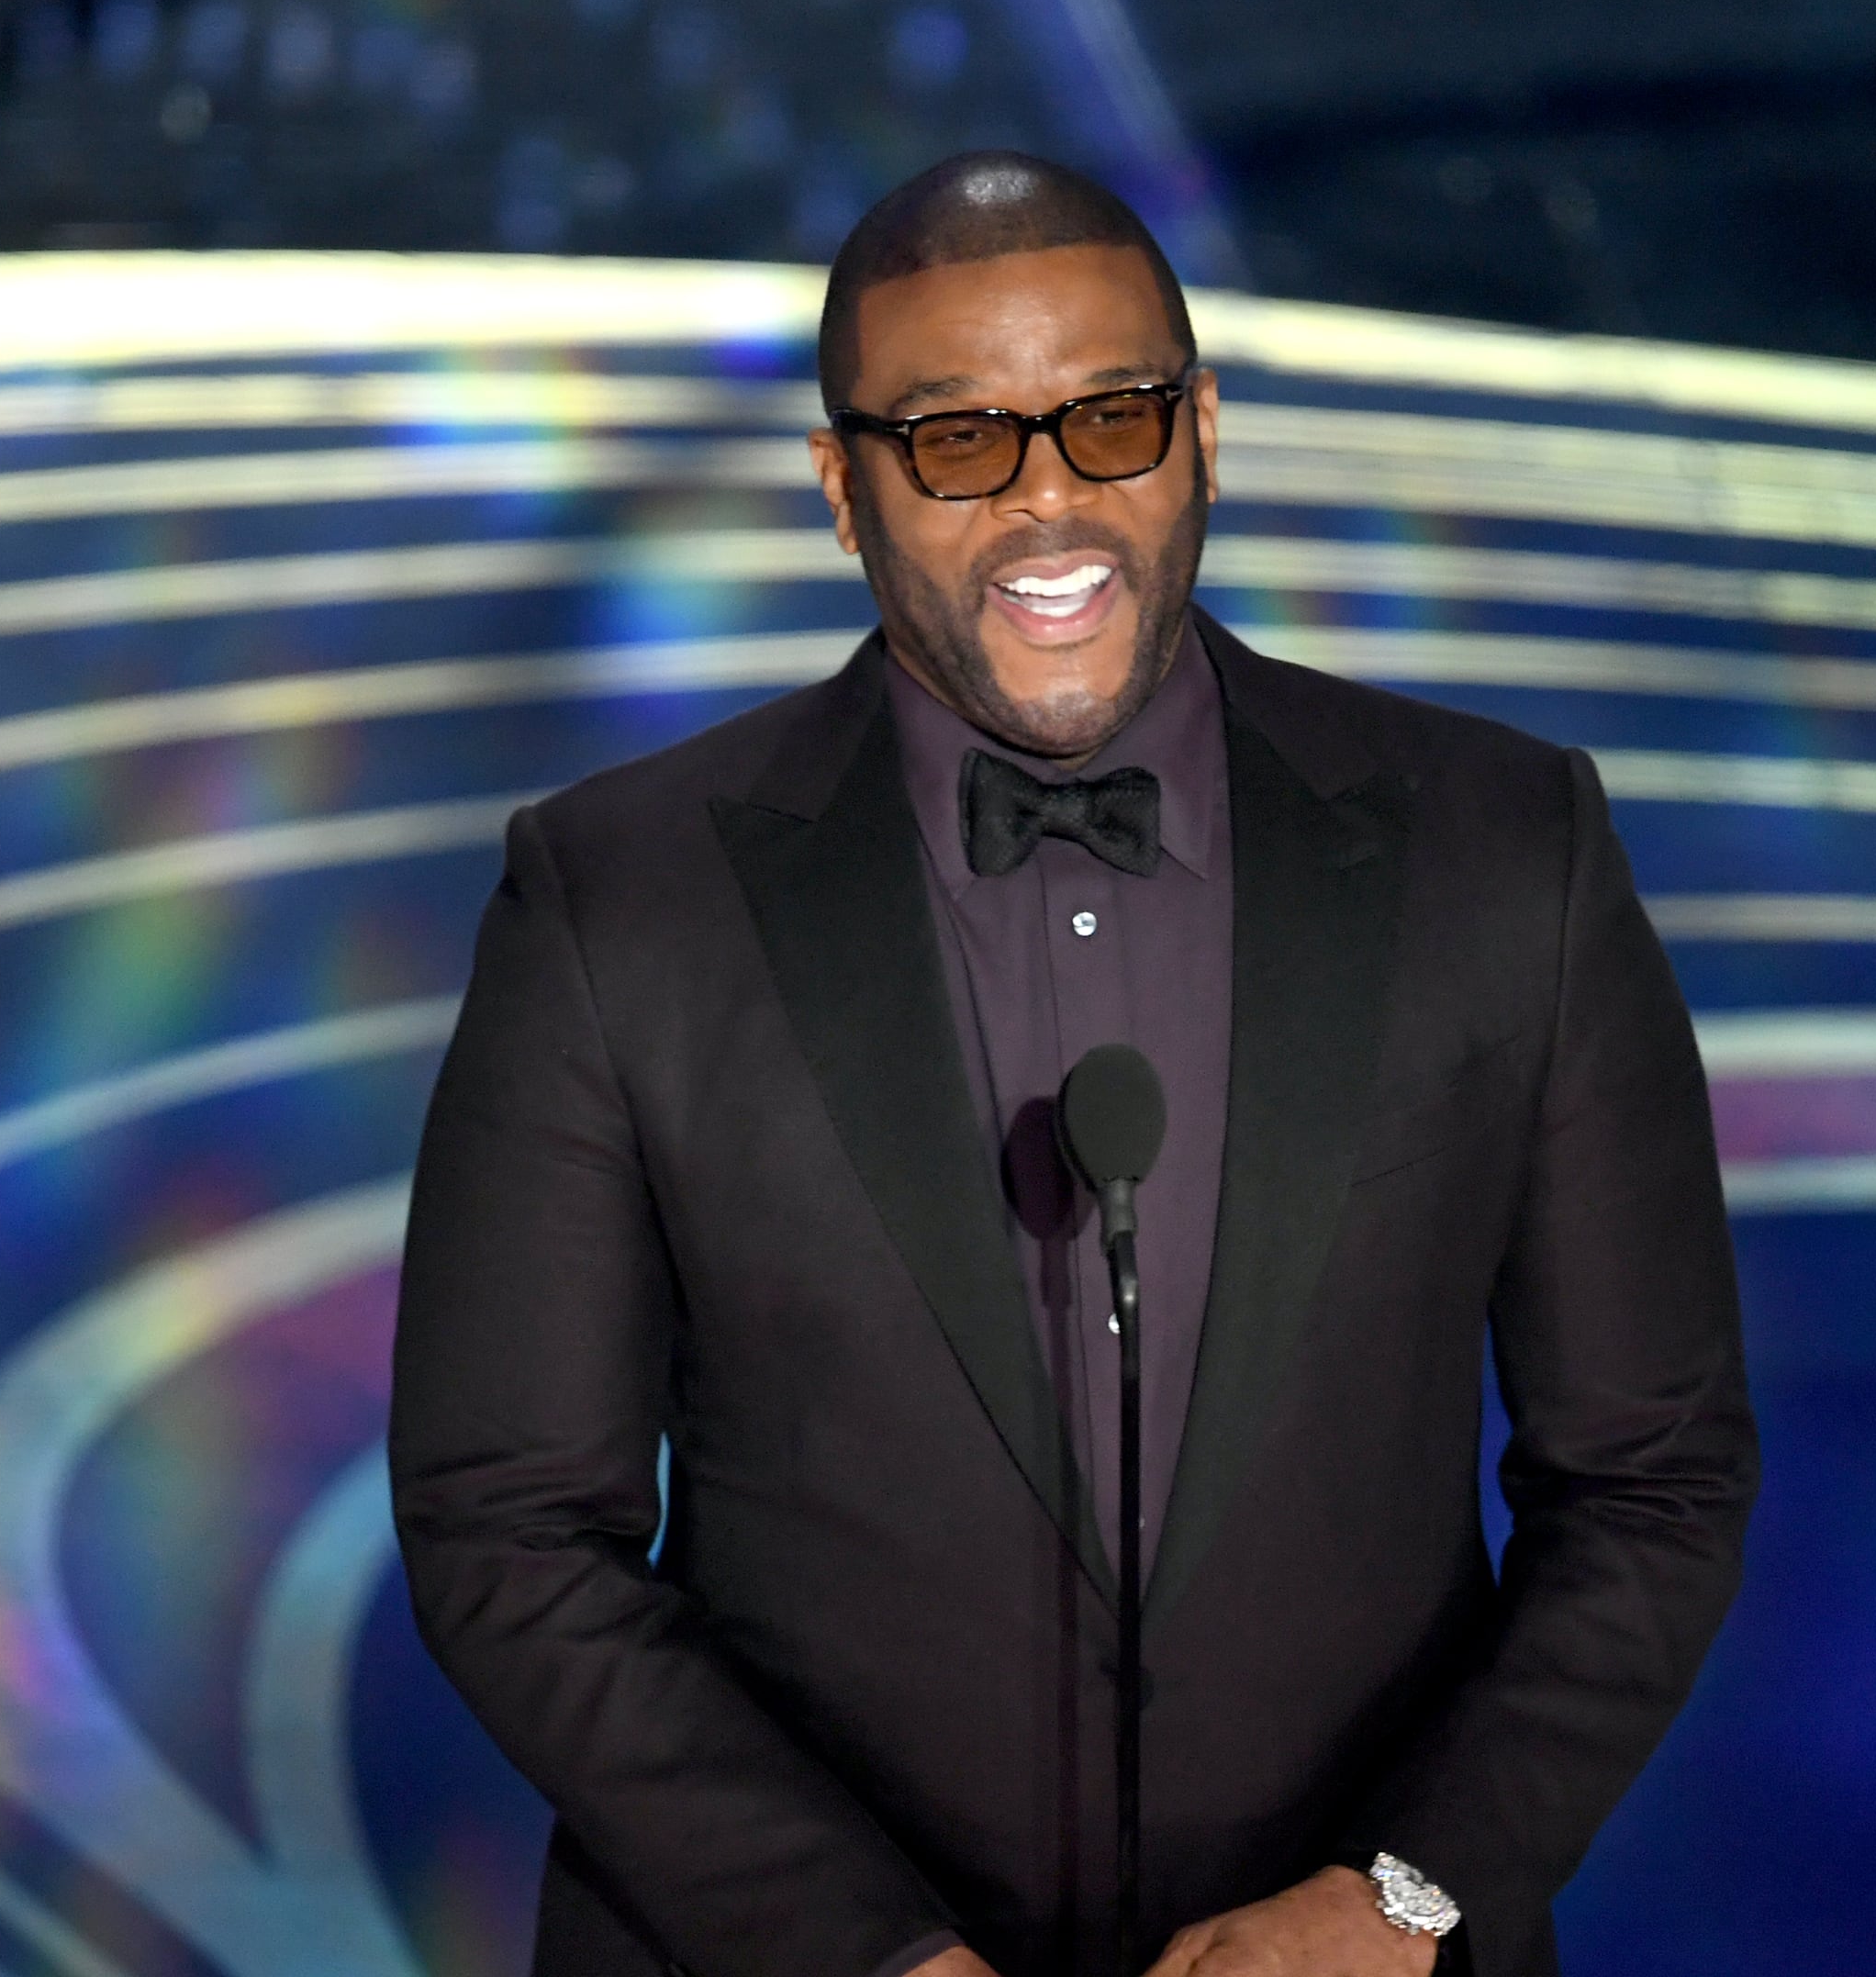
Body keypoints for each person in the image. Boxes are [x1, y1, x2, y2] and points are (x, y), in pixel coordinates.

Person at [391, 151, 1756, 1977]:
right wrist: (869, 1957)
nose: (1050, 500)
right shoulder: (614, 897)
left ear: (1204, 434)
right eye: (957, 440)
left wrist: (1402, 1899)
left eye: (1111, 419)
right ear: (842, 489)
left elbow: (1655, 1480)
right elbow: (509, 1531)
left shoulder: (1511, 851)